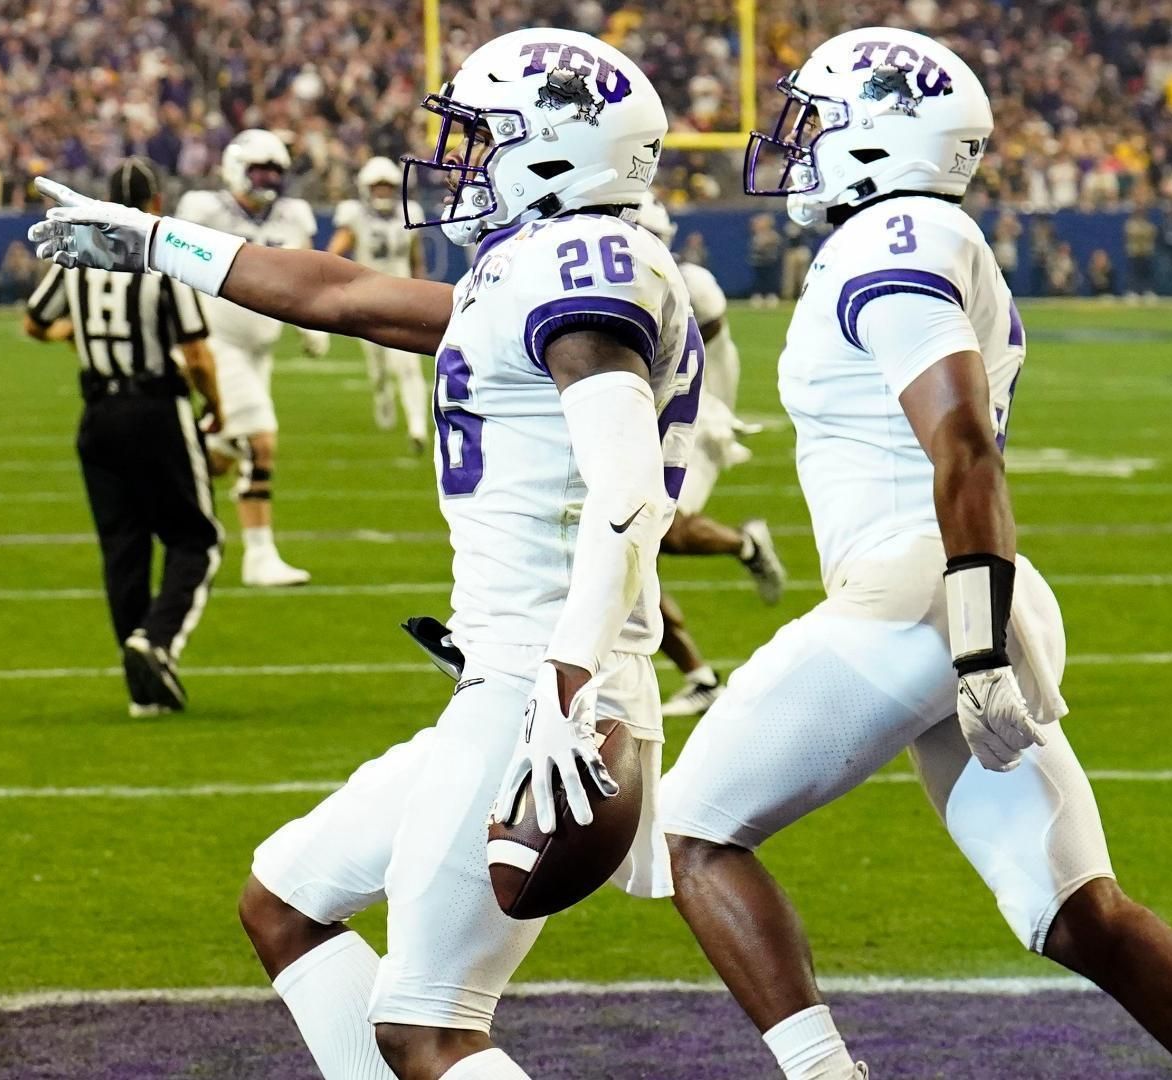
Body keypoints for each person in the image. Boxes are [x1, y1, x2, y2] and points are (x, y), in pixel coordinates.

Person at [36, 28, 693, 1080]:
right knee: (285, 901)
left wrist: (567, 677)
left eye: (485, 137)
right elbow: (339, 297)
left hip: (544, 683)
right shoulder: (535, 266)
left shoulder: (582, 268)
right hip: (512, 670)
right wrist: (161, 242)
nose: (462, 161)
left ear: (555, 152)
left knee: (429, 1027)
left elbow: (627, 492)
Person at [659, 27, 1172, 1080]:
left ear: (882, 138)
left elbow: (962, 446)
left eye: (821, 123)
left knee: (692, 831)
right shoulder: (913, 236)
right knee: (1081, 915)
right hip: (961, 591)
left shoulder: (895, 235)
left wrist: (975, 642)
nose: (798, 144)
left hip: (927, 594)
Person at [24, 159, 225, 718]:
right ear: (156, 202)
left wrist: (77, 338)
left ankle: (142, 686)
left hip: (98, 413)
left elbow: (34, 322)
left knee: (123, 546)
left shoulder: (79, 254)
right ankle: (155, 643)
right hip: (156, 408)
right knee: (197, 539)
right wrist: (216, 406)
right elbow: (197, 353)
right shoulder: (163, 257)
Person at [636, 197, 787, 717]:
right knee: (631, 560)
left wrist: (717, 411)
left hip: (693, 418)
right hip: (649, 421)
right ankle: (699, 678)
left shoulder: (690, 285)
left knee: (660, 533)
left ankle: (746, 544)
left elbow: (714, 357)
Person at [173, 129, 322, 586]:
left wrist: (309, 324)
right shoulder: (205, 210)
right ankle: (259, 555)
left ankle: (162, 496)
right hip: (218, 340)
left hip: (260, 349)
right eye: (260, 171)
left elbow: (302, 275)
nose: (268, 181)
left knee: (220, 455)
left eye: (275, 172)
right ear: (236, 169)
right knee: (260, 441)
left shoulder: (293, 216)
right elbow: (176, 268)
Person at [329, 156, 429, 454]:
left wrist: (422, 290)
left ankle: (417, 427)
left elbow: (416, 257)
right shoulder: (354, 214)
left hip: (402, 299)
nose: (383, 191)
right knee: (379, 368)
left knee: (408, 366)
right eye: (378, 186)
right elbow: (335, 253)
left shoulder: (410, 212)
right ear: (366, 188)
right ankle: (383, 395)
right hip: (368, 300)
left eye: (387, 186)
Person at [747, 213, 783, 307]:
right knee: (759, 280)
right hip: (758, 262)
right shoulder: (756, 236)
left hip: (769, 261)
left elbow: (775, 244)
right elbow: (755, 247)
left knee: (770, 280)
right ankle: (758, 296)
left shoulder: (773, 235)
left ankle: (771, 296)